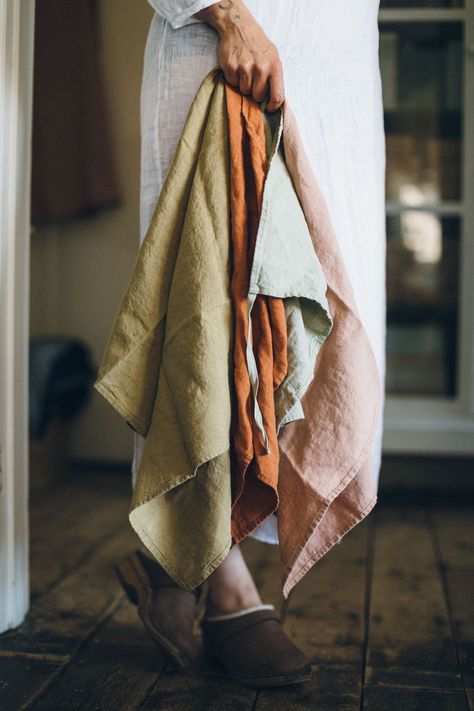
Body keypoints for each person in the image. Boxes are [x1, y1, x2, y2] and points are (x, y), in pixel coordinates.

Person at [118, 0, 386, 688]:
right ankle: (220, 576)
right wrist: (227, 13)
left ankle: (179, 552)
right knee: (213, 313)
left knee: (310, 320)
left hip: (338, 76)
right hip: (222, 49)